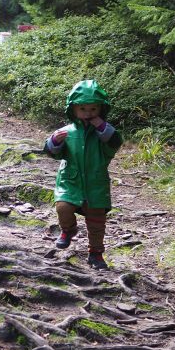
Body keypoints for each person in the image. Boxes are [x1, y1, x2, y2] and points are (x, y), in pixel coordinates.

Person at [43, 79, 123, 270]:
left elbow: (115, 141)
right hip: (70, 182)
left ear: (101, 110)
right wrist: (54, 141)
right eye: (83, 109)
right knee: (63, 207)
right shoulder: (67, 132)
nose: (88, 114)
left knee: (96, 221)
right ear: (73, 110)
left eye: (93, 110)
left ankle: (96, 253)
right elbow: (52, 152)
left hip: (96, 184)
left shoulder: (103, 134)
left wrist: (101, 126)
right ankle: (68, 230)